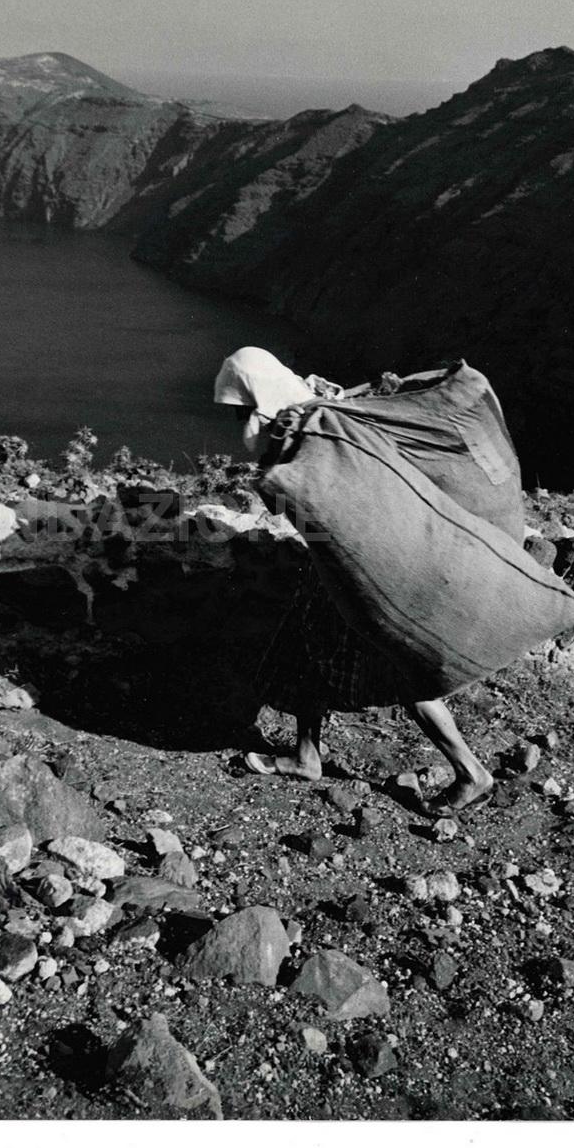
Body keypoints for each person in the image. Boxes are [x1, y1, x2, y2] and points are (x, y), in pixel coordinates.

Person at [214, 346, 495, 814]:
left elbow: (306, 502)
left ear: (256, 398)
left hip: (362, 571)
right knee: (301, 654)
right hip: (334, 568)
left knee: (398, 671)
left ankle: (471, 771)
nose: (237, 419)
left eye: (241, 408)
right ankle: (306, 756)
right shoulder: (315, 413)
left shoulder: (309, 428)